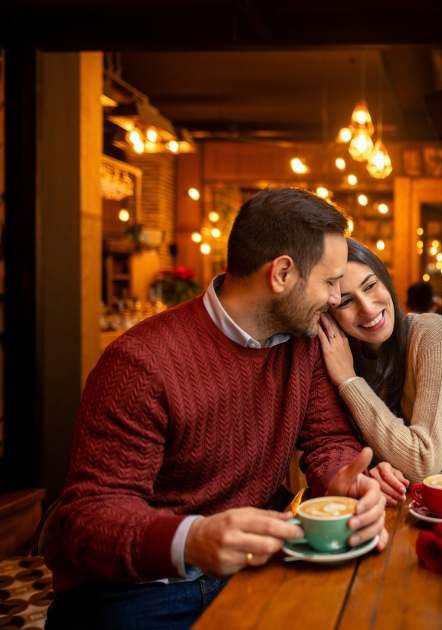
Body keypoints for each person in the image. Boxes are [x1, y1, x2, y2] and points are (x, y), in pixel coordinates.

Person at [44, 188, 397, 628]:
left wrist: (343, 481)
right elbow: (88, 518)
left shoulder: (304, 344)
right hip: (139, 589)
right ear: (282, 273)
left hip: (253, 564)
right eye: (329, 283)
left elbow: (327, 440)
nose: (334, 300)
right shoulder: (140, 362)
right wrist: (192, 540)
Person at [315, 239, 442, 497]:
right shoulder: (340, 355)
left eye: (371, 285)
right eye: (345, 302)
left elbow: (422, 462)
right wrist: (378, 469)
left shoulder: (432, 334)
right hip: (405, 497)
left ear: (385, 280)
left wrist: (350, 382)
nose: (367, 307)